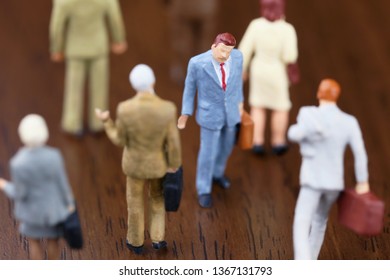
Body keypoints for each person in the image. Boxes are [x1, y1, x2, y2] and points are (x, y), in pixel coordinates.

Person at [95, 64, 182, 254]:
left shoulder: (125, 109)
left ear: (133, 85)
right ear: (153, 81)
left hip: (134, 165)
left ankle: (135, 241)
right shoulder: (167, 109)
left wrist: (106, 121)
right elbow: (173, 141)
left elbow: (119, 139)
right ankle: (158, 238)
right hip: (158, 165)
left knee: (134, 202)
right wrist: (174, 164)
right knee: (157, 199)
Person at [288, 79, 370, 260]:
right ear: (336, 97)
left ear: (319, 94)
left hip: (313, 180)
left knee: (302, 221)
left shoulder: (308, 114)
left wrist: (300, 131)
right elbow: (360, 154)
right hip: (334, 183)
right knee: (320, 222)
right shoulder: (349, 121)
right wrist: (362, 182)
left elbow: (294, 134)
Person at [178, 33, 243, 208]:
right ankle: (203, 188)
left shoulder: (237, 57)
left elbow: (237, 83)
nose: (225, 55)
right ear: (214, 47)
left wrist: (240, 104)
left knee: (228, 144)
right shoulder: (197, 63)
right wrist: (185, 113)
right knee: (208, 151)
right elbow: (189, 89)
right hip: (210, 115)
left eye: (229, 51)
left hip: (231, 112)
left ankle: (218, 172)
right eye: (222, 51)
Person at [0, 114, 75, 260]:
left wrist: (4, 185)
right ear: (44, 132)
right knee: (53, 240)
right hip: (52, 211)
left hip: (32, 214)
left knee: (33, 243)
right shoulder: (54, 156)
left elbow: (19, 193)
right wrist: (69, 203)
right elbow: (62, 184)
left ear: (22, 134)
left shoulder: (18, 163)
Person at [50, 0, 127, 135]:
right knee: (99, 88)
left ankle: (72, 123)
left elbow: (57, 25)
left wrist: (57, 48)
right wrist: (118, 39)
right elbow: (115, 18)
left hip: (75, 48)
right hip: (98, 47)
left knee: (73, 89)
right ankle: (98, 123)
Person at [239, 0, 299, 156]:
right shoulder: (287, 29)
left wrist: (241, 69)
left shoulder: (255, 25)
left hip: (259, 70)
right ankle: (278, 141)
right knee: (280, 107)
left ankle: (257, 141)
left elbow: (245, 49)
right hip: (277, 71)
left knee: (257, 106)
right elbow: (289, 55)